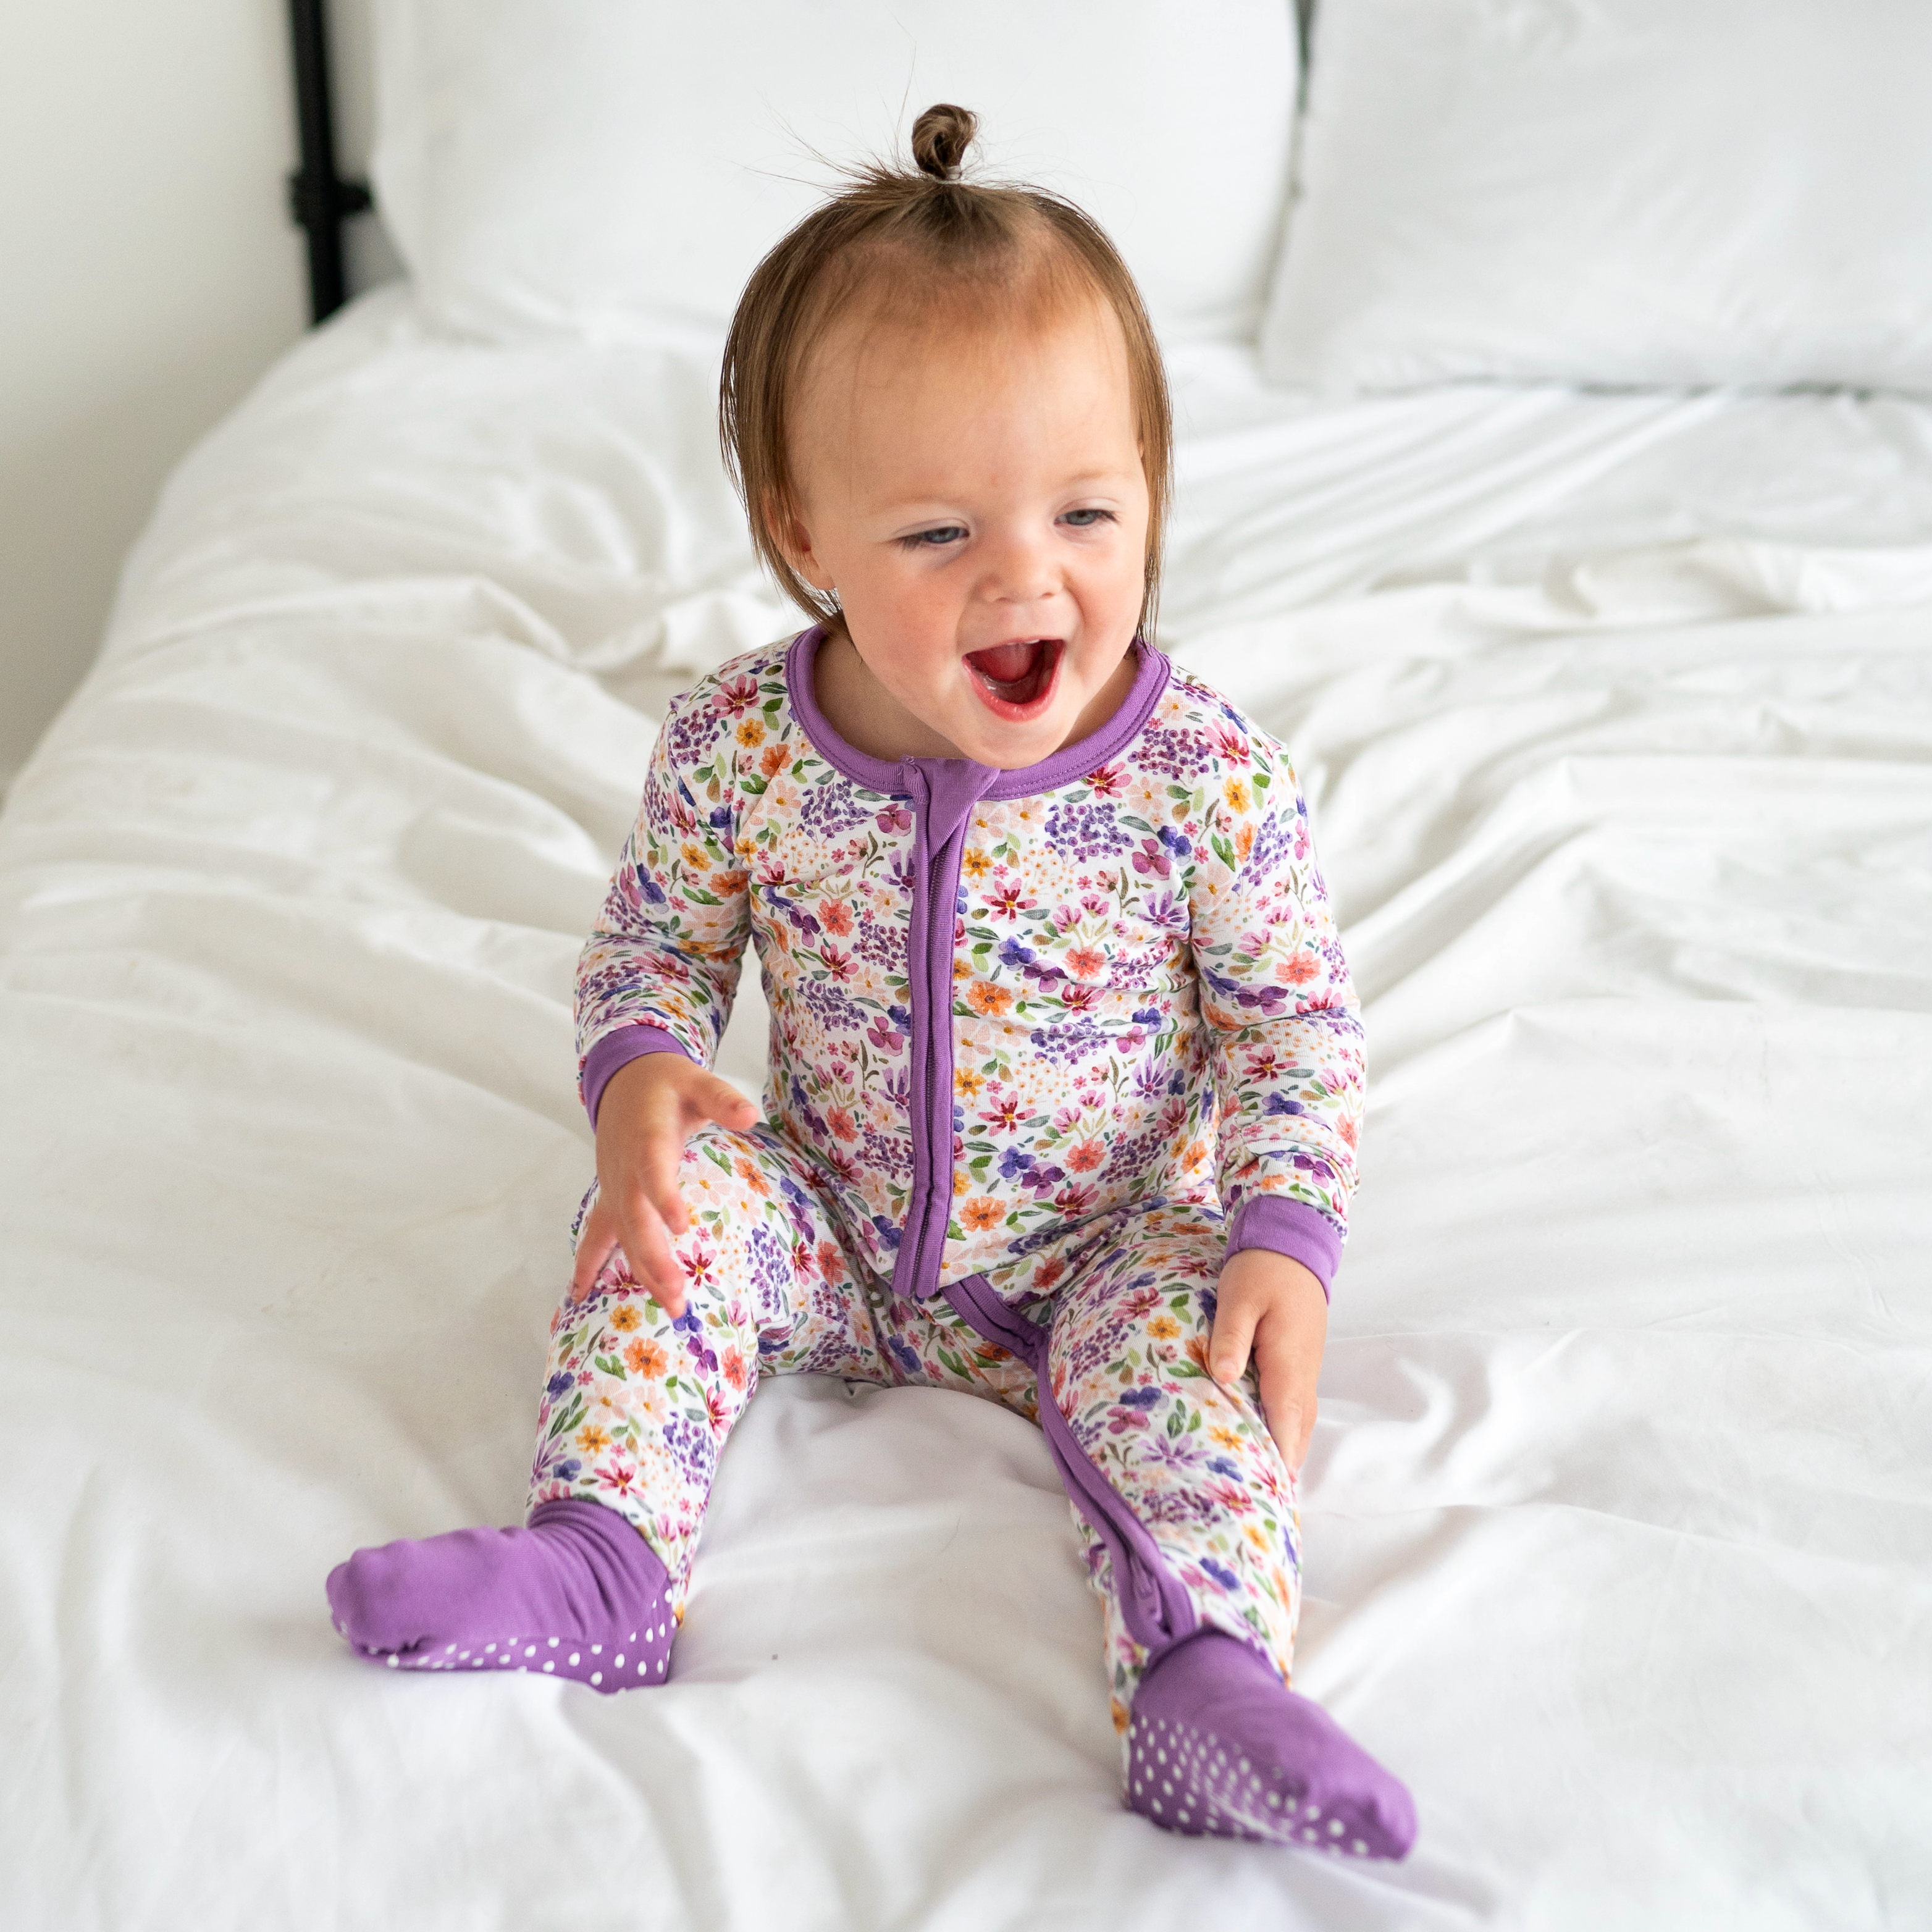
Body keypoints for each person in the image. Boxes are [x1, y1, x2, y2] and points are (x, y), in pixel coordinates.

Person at [327, 103, 1414, 1858]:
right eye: (934, 536)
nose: (1026, 575)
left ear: (1153, 493)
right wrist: (640, 1083)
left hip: (1110, 1240)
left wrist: (1284, 1237)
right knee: (661, 1225)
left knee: (1202, 1390)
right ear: (803, 530)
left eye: (1087, 511)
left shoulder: (1205, 780)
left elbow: (1298, 1027)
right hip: (832, 1221)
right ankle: (601, 1559)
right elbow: (658, 941)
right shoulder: (744, 746)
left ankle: (1211, 1680)